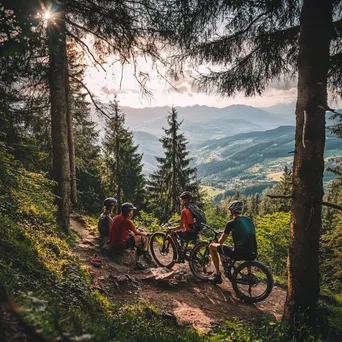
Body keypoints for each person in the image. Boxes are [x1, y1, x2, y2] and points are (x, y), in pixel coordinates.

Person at [208, 200, 258, 284]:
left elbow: (220, 241)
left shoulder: (231, 223)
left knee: (211, 246)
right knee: (243, 248)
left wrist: (218, 239)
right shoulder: (248, 220)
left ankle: (217, 275)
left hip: (239, 253)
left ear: (231, 211)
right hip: (253, 252)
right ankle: (249, 274)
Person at [109, 202, 151, 269]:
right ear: (128, 212)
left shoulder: (116, 217)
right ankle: (138, 262)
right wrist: (147, 234)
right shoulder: (127, 221)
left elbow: (121, 229)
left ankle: (142, 252)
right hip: (121, 244)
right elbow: (137, 232)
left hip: (113, 241)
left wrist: (129, 232)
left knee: (135, 236)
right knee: (142, 237)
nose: (132, 212)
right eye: (131, 211)